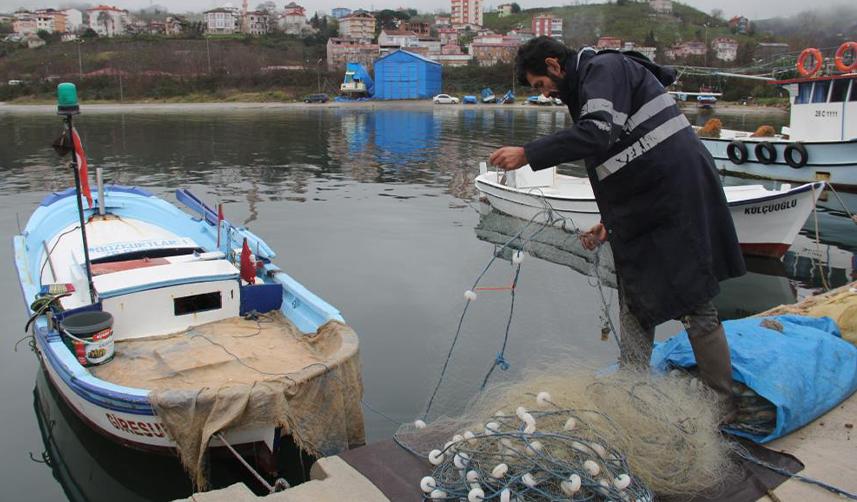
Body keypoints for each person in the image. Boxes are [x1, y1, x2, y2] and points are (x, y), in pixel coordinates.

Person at [489, 37, 746, 419]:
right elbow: (619, 157)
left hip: (674, 196)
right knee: (635, 296)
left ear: (554, 65)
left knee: (694, 300)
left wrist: (529, 153)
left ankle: (721, 402)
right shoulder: (588, 86)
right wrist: (610, 222)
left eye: (542, 85)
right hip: (645, 199)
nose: (547, 95)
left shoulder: (603, 70)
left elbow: (598, 133)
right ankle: (633, 388)